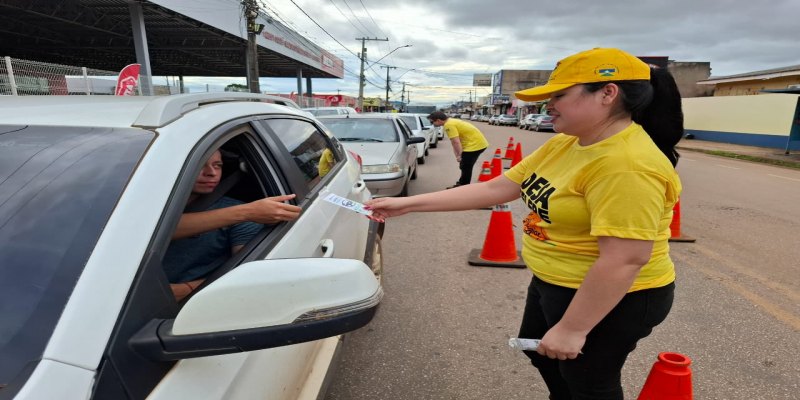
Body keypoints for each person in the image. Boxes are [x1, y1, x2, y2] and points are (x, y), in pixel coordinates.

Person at [367, 48, 684, 400]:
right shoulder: (567, 143)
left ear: (608, 93)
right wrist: (408, 204)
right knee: (545, 359)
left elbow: (624, 259)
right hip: (555, 280)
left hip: (615, 297)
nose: (549, 104)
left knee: (588, 383)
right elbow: (498, 187)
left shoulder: (627, 165)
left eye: (560, 95)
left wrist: (573, 328)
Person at [164, 150, 302, 301]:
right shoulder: (146, 208)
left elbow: (248, 274)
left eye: (218, 165)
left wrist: (187, 290)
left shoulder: (248, 217)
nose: (212, 173)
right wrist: (247, 211)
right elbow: (156, 231)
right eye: (199, 165)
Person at [427, 111, 489, 188]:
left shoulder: (449, 125)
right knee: (464, 165)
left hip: (475, 145)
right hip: (478, 143)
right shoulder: (451, 121)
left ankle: (463, 187)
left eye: (432, 122)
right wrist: (458, 155)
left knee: (466, 166)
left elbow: (455, 142)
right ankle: (462, 184)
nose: (432, 124)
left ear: (438, 120)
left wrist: (459, 155)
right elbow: (455, 141)